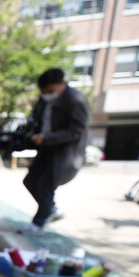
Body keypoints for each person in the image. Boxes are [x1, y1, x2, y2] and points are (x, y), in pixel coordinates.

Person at [21, 68, 90, 233]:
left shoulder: (76, 100)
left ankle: (39, 221)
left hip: (65, 151)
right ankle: (51, 209)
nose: (47, 94)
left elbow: (76, 130)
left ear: (62, 84)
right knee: (30, 180)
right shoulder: (44, 99)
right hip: (46, 148)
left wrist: (47, 137)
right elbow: (36, 116)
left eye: (50, 91)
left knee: (46, 184)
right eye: (44, 92)